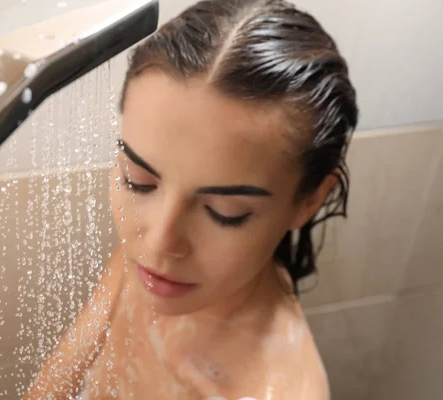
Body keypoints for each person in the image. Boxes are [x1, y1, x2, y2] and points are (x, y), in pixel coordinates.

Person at [23, 0, 358, 398]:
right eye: (139, 182)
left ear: (309, 201)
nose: (160, 241)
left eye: (224, 213)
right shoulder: (148, 269)